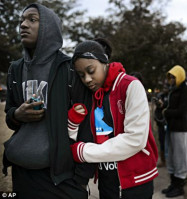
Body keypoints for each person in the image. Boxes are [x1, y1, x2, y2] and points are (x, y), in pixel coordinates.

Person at [3, 4, 94, 198]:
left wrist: (81, 177)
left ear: (49, 27)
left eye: (32, 20)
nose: (23, 25)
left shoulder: (69, 68)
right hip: (22, 174)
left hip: (62, 179)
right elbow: (9, 118)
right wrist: (17, 115)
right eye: (21, 21)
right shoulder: (15, 70)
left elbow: (88, 125)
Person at [69, 40, 158, 199]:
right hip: (106, 178)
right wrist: (73, 121)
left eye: (91, 70)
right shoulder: (92, 95)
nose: (87, 79)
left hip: (135, 179)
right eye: (81, 75)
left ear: (104, 62)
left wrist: (83, 152)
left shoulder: (130, 85)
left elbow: (135, 139)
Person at [161, 65, 187, 198]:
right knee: (172, 157)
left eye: (173, 77)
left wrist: (166, 112)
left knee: (180, 157)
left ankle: (179, 187)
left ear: (179, 76)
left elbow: (181, 111)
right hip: (171, 127)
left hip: (180, 129)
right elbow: (172, 107)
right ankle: (173, 184)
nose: (171, 80)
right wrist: (163, 106)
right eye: (170, 77)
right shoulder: (174, 89)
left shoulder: (185, 90)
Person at [154, 83, 169, 167]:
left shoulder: (171, 96)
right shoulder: (160, 96)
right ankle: (163, 160)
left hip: (168, 122)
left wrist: (163, 104)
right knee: (162, 141)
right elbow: (157, 109)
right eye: (164, 87)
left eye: (166, 87)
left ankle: (169, 159)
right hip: (161, 123)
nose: (165, 89)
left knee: (169, 142)